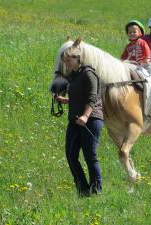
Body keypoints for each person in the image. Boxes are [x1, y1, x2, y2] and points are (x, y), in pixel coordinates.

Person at [51, 46, 104, 197]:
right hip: (75, 119)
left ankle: (96, 191)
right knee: (70, 154)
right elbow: (78, 97)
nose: (66, 64)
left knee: (90, 155)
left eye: (68, 60)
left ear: (77, 58)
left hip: (92, 118)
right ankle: (83, 189)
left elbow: (92, 97)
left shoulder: (89, 73)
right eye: (64, 61)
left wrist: (86, 116)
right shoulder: (73, 76)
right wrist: (65, 100)